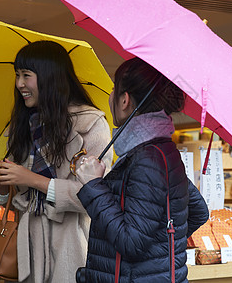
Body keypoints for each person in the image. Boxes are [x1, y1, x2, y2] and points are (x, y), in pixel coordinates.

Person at [0, 40, 113, 283]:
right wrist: (1, 183)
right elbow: (16, 203)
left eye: (26, 75)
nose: (19, 84)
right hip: (28, 250)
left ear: (48, 77)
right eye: (17, 75)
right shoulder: (23, 126)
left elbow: (94, 196)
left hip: (73, 246)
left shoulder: (91, 124)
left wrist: (31, 179)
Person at [76, 57, 209, 282]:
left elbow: (131, 242)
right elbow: (198, 211)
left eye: (113, 90)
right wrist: (159, 251)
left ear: (125, 99)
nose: (110, 98)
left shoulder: (147, 158)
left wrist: (93, 186)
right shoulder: (161, 150)